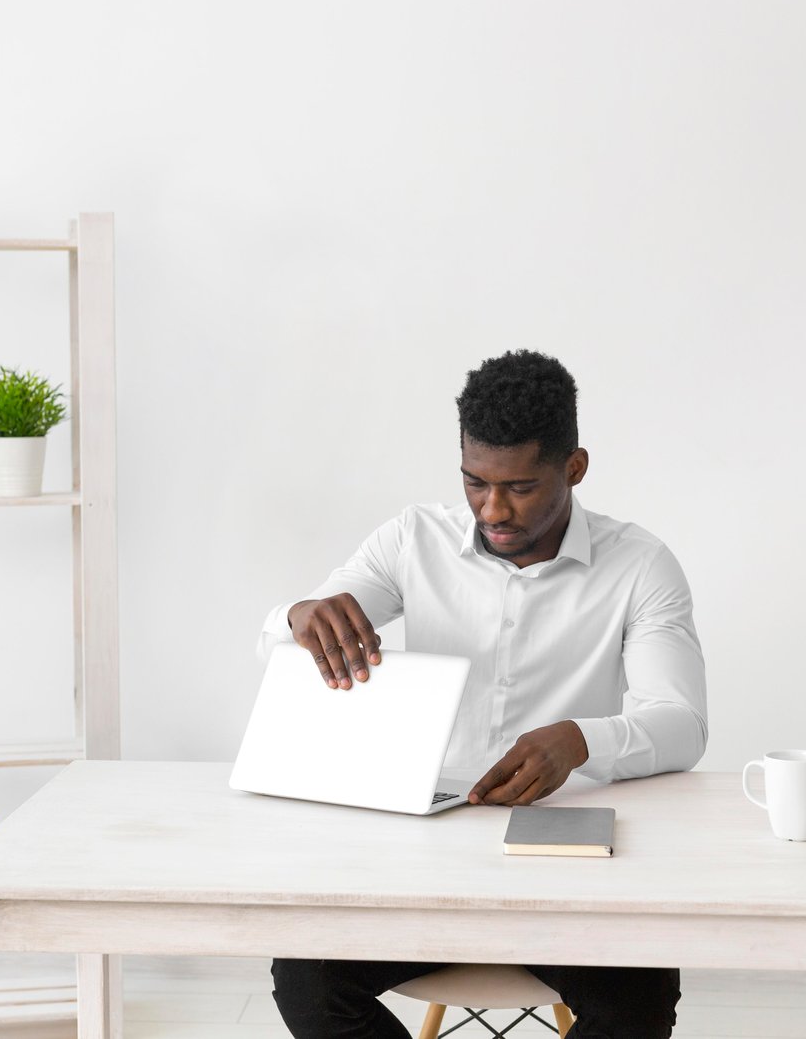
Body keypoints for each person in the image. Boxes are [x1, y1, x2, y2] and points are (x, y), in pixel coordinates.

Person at [257, 349, 708, 1039]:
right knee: (307, 981)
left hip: (565, 861)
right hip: (424, 855)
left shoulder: (640, 566)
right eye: (475, 482)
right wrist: (298, 617)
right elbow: (294, 640)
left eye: (520, 487)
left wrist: (580, 740)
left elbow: (681, 724)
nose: (493, 509)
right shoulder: (413, 540)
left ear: (574, 467)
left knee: (639, 1000)